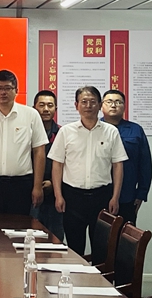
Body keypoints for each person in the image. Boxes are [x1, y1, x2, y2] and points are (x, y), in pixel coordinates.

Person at [48, 86, 128, 256]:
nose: (88, 105)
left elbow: (118, 165)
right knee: (74, 248)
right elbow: (57, 165)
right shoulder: (66, 132)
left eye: (93, 102)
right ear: (76, 105)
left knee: (101, 248)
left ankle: (99, 274)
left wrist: (115, 197)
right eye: (84, 102)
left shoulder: (111, 132)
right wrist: (58, 195)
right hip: (72, 197)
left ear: (99, 105)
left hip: (102, 196)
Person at [0, 70, 48, 215]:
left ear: (16, 91)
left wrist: (37, 186)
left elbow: (39, 151)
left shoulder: (30, 115)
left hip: (21, 185)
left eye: (8, 88)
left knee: (19, 226)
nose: (3, 92)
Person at [101, 89, 152, 225]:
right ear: (101, 106)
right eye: (109, 102)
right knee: (100, 235)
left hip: (127, 195)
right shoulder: (95, 129)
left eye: (118, 102)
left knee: (125, 235)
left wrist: (141, 193)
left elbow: (145, 164)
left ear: (124, 106)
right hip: (98, 194)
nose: (114, 105)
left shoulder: (135, 130)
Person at [30, 90, 64, 241]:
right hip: (30, 190)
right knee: (31, 235)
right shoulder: (27, 132)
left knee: (55, 237)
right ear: (34, 108)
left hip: (55, 193)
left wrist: (53, 182)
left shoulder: (62, 133)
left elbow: (69, 163)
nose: (45, 109)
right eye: (41, 105)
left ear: (55, 109)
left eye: (50, 105)